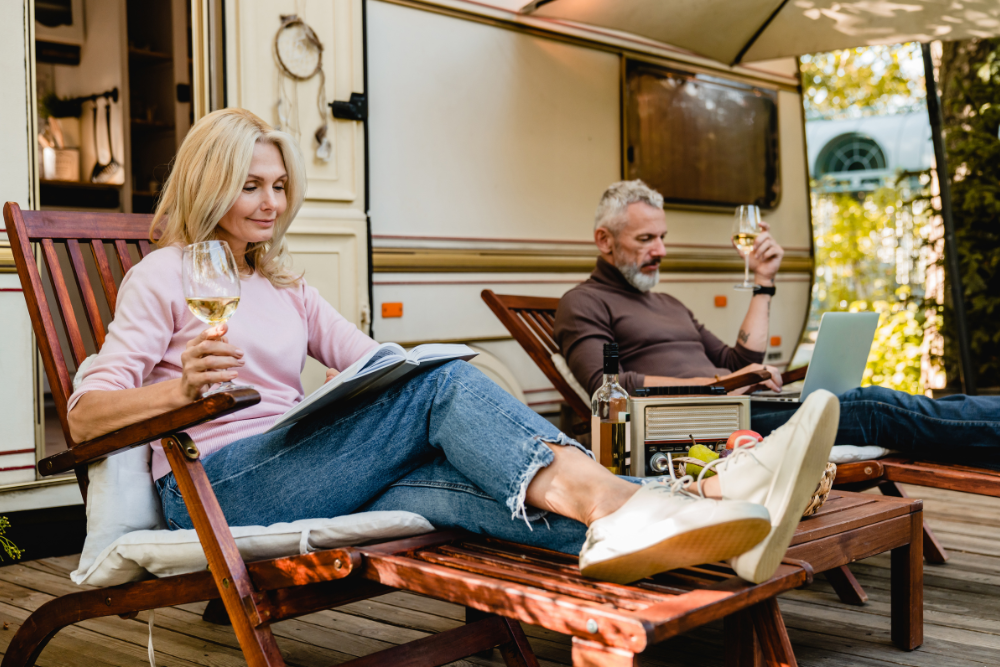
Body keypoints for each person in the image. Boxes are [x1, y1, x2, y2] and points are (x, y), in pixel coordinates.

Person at [67, 110, 837, 586]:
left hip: (309, 469)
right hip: (216, 489)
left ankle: (715, 524)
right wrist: (178, 395)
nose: (271, 201)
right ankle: (666, 498)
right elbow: (83, 418)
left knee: (472, 484)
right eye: (250, 184)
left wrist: (410, 379)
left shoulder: (288, 287)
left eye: (278, 185)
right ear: (210, 184)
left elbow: (376, 365)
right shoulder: (165, 274)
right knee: (441, 387)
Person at [554, 180, 1000, 458]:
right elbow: (606, 387)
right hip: (695, 426)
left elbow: (736, 358)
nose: (661, 251)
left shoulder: (668, 303)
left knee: (878, 404)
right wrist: (719, 386)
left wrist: (763, 282)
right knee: (877, 408)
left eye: (663, 238)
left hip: (739, 405)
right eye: (646, 239)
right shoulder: (583, 302)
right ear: (604, 241)